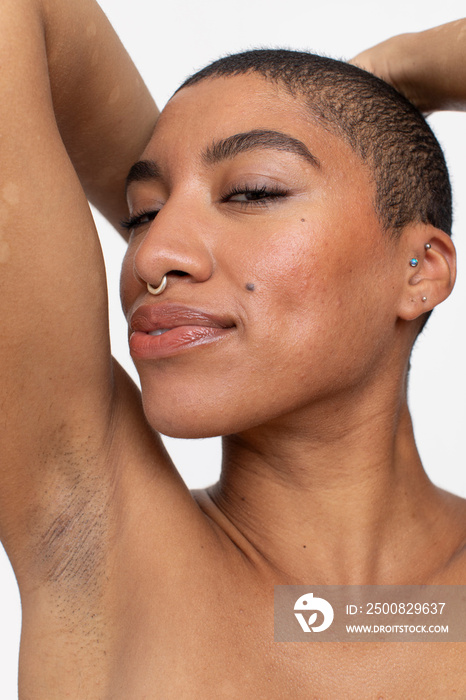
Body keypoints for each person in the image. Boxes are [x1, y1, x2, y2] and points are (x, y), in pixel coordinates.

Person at [0, 0, 464, 696]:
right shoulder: (95, 539)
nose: (151, 255)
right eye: (141, 216)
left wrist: (399, 70)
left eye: (252, 190)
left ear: (418, 269)